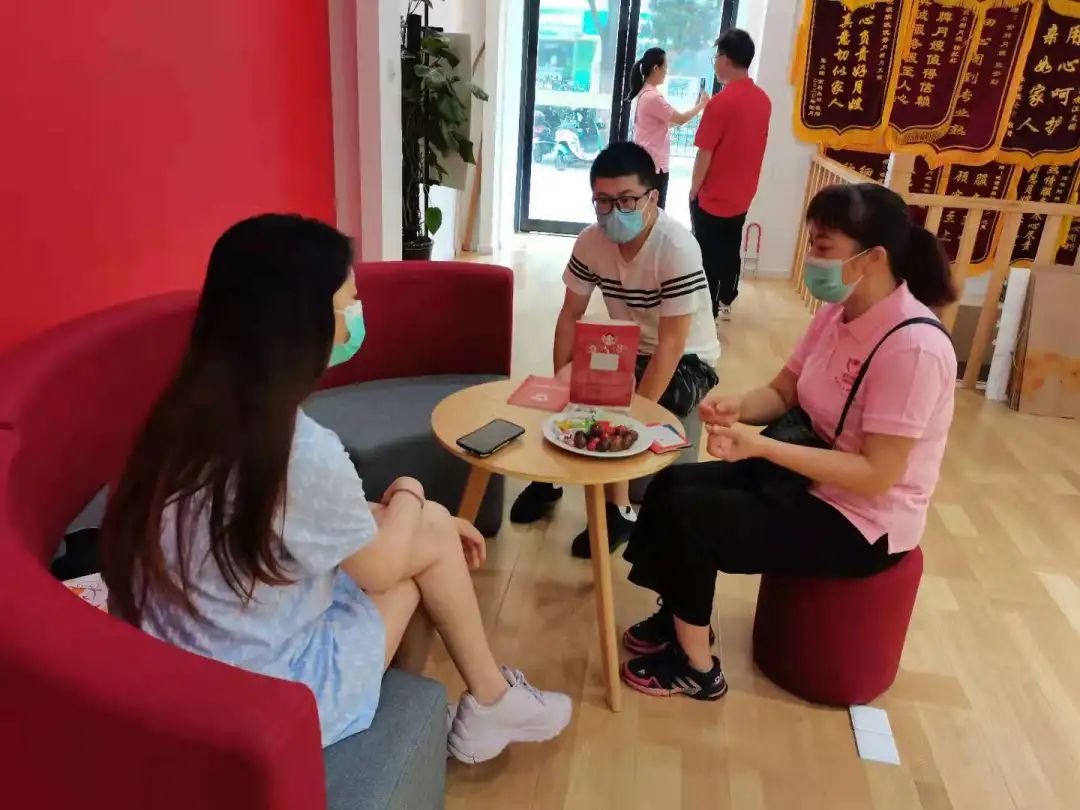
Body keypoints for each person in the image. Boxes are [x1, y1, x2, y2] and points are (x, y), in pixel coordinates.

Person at [101, 214, 571, 764]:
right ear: (304, 322)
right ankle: (467, 708)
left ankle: (487, 701)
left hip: (181, 664)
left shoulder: (185, 412)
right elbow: (380, 569)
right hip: (266, 698)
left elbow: (298, 516)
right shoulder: (296, 448)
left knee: (426, 529)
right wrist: (413, 491)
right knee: (418, 558)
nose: (358, 317)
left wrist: (424, 516)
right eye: (350, 303)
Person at [618, 183, 957, 700]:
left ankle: (697, 668)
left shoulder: (914, 348)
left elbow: (876, 475)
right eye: (811, 242)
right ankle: (680, 618)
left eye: (823, 246)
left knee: (694, 517)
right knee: (671, 486)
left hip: (862, 522)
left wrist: (761, 447)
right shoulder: (836, 313)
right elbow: (783, 391)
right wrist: (737, 407)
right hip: (808, 476)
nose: (810, 258)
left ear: (873, 258)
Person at [510, 142, 720, 558]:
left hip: (689, 359)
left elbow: (672, 343)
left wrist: (634, 413)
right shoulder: (591, 242)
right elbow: (570, 314)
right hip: (626, 346)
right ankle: (550, 479)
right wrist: (562, 381)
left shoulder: (676, 248)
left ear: (652, 198)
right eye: (602, 202)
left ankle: (618, 510)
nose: (613, 212)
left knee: (615, 399)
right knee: (570, 383)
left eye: (626, 200)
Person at [690, 28, 771, 321]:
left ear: (725, 59)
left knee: (706, 255)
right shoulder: (763, 100)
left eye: (716, 57)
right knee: (730, 245)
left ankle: (707, 312)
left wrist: (693, 190)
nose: (715, 63)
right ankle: (727, 297)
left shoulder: (720, 104)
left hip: (714, 196)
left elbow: (705, 154)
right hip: (744, 193)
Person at [628, 47, 709, 210]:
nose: (666, 71)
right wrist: (702, 104)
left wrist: (695, 108)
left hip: (645, 162)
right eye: (665, 67)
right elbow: (680, 119)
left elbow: (667, 123)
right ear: (655, 68)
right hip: (654, 165)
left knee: (645, 210)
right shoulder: (653, 97)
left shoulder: (642, 93)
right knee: (654, 211)